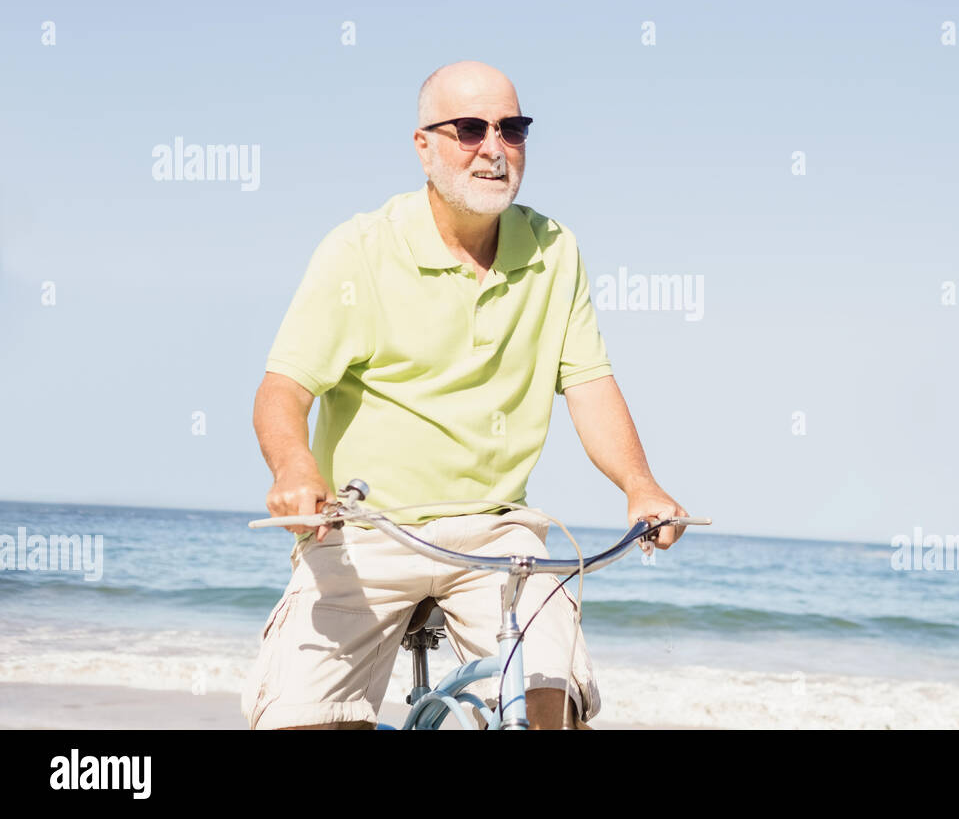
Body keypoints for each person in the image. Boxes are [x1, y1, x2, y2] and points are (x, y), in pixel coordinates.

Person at [240, 60, 689, 730]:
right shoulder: (359, 249)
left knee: (551, 704)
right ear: (424, 147)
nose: (494, 148)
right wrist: (294, 468)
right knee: (303, 719)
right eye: (471, 129)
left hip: (497, 531)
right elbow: (283, 388)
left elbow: (589, 383)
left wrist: (641, 485)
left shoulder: (555, 250)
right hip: (366, 529)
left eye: (512, 129)